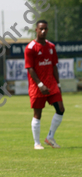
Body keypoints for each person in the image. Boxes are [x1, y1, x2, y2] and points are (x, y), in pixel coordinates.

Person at [24, 19, 64, 149]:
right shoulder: (30, 48)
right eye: (41, 28)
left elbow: (54, 66)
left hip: (51, 84)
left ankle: (50, 137)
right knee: (38, 114)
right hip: (37, 86)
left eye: (45, 29)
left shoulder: (51, 47)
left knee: (60, 109)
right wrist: (40, 85)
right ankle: (37, 143)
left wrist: (58, 84)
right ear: (36, 30)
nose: (43, 31)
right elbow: (30, 68)